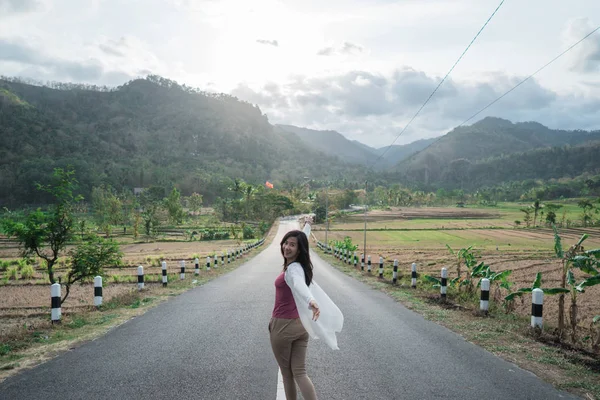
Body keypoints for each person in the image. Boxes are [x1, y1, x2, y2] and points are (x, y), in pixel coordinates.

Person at [268, 218, 343, 400]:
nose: (286, 247)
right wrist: (307, 227)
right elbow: (303, 240)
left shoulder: (293, 269)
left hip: (283, 326)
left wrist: (311, 300)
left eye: (292, 245)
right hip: (301, 326)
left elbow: (300, 285)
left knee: (287, 375)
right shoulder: (301, 265)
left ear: (299, 249)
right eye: (285, 243)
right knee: (300, 373)